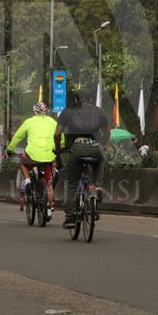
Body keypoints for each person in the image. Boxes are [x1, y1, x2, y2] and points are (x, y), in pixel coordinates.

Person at [53, 94, 110, 229]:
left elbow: (57, 134)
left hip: (76, 148)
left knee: (72, 183)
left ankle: (70, 217)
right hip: (96, 148)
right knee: (100, 162)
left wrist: (59, 149)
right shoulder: (99, 111)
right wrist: (104, 144)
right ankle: (97, 187)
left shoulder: (67, 111)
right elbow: (107, 131)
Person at [9, 103, 59, 221]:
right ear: (46, 111)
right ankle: (49, 210)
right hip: (49, 156)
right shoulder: (53, 122)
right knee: (48, 184)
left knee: (22, 162)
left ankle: (27, 181)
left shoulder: (29, 122)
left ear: (35, 112)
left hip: (32, 156)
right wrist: (60, 148)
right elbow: (60, 137)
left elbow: (17, 137)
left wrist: (10, 149)